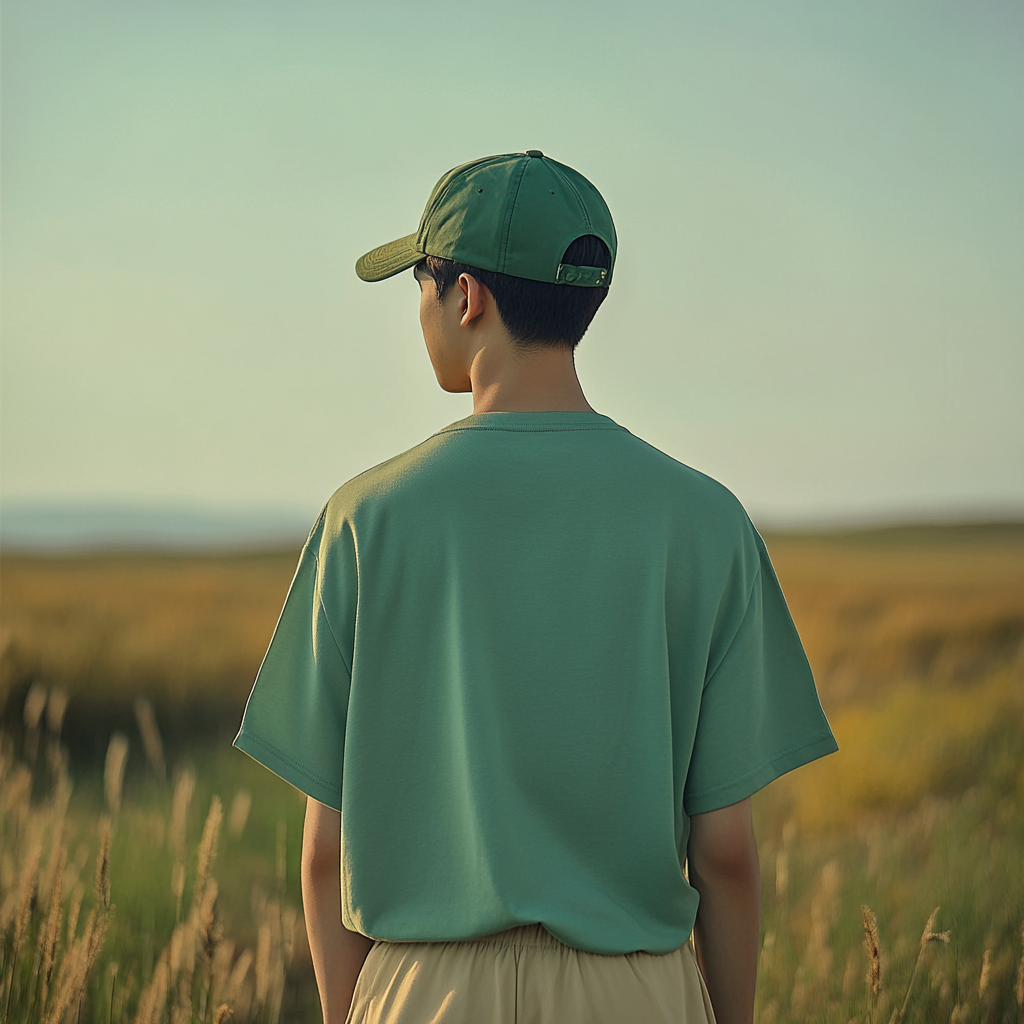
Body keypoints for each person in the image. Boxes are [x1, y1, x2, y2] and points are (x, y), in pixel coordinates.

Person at [233, 150, 838, 1024]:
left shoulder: (363, 519)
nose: (419, 309)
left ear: (468, 297)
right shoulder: (706, 520)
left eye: (421, 282)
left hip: (423, 991)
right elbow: (728, 855)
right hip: (637, 991)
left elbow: (327, 851)